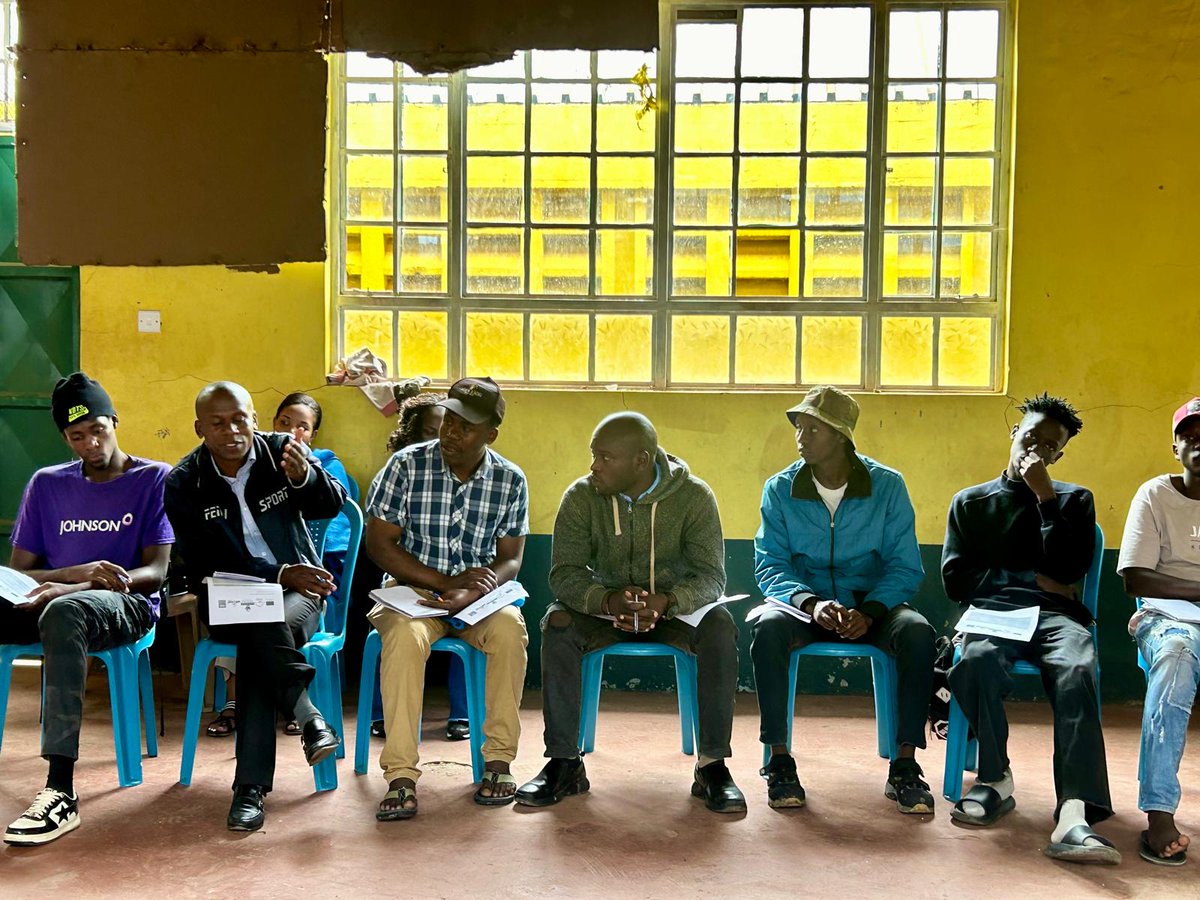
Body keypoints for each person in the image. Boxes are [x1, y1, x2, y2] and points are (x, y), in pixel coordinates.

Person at [515, 412, 745, 814]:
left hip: (672, 613)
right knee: (558, 622)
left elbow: (711, 577)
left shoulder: (693, 496)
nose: (594, 466)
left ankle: (712, 765)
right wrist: (606, 600)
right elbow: (564, 574)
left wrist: (668, 602)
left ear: (641, 461)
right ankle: (564, 762)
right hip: (606, 611)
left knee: (720, 626)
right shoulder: (581, 496)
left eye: (605, 458)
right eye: (593, 455)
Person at [943, 393, 1118, 864]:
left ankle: (1074, 811)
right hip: (995, 614)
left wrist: (1046, 499)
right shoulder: (971, 502)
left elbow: (1070, 569)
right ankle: (995, 779)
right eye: (1030, 438)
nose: (1036, 450)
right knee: (975, 660)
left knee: (1076, 668)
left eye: (1049, 446)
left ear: (1059, 455)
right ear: (1013, 433)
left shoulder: (1075, 501)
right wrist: (1028, 578)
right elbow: (956, 580)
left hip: (1057, 617)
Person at [165, 381, 347, 832]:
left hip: (297, 597)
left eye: (240, 420)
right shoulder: (184, 482)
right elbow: (202, 564)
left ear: (254, 419)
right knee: (258, 622)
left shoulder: (282, 452)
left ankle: (249, 790)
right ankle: (308, 718)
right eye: (218, 423)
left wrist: (304, 478)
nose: (232, 431)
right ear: (199, 429)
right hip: (227, 597)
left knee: (259, 638)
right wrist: (279, 574)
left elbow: (332, 504)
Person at [2, 373, 173, 846]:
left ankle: (60, 791)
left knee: (65, 613)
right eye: (77, 436)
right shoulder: (46, 484)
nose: (91, 443)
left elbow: (156, 572)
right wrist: (72, 575)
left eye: (98, 429)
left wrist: (82, 585)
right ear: (65, 438)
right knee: (56, 608)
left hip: (125, 604)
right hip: (52, 600)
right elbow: (21, 573)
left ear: (114, 421)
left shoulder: (153, 478)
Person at [751, 386, 935, 813]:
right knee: (768, 626)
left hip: (872, 606)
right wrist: (811, 604)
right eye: (799, 427)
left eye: (813, 429)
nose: (801, 438)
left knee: (917, 632)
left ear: (841, 436)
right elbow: (770, 565)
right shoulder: (780, 489)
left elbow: (904, 565)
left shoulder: (887, 486)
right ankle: (779, 761)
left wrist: (870, 611)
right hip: (805, 607)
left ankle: (905, 765)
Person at [365, 377, 529, 820]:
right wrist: (444, 582)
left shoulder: (510, 480)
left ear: (491, 434)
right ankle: (401, 775)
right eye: (449, 421)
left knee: (510, 631)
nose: (451, 433)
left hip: (477, 597)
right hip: (414, 592)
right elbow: (379, 544)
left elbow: (511, 558)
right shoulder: (405, 466)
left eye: (466, 427)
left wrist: (473, 589)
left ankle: (498, 762)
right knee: (404, 638)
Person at [205, 391, 356, 740]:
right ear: (268, 423)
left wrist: (303, 476)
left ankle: (240, 704)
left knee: (260, 620)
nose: (292, 431)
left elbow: (331, 509)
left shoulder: (311, 462)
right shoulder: (217, 471)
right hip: (248, 583)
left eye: (302, 426)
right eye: (285, 422)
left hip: (300, 585)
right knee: (245, 611)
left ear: (313, 434)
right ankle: (302, 710)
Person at [1117, 397, 1200, 866]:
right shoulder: (1155, 495)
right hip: (1168, 619)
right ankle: (1159, 811)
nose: (1199, 443)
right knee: (1175, 657)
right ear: (1175, 448)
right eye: (1190, 435)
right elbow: (1135, 577)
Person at [370, 392, 471, 743]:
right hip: (409, 582)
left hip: (460, 586)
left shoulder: (474, 478)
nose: (446, 438)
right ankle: (383, 713)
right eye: (433, 431)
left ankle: (463, 712)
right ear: (412, 436)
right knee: (393, 631)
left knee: (478, 622)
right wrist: (437, 581)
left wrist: (461, 586)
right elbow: (383, 545)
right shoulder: (401, 471)